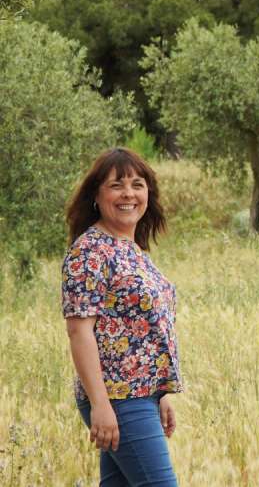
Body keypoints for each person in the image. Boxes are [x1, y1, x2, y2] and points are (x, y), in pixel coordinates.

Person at [62, 147, 183, 486]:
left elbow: (146, 331)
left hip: (141, 396)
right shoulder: (90, 251)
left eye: (137, 184)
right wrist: (101, 405)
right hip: (118, 399)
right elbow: (79, 332)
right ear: (97, 195)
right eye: (116, 185)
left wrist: (161, 394)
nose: (129, 193)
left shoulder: (132, 250)